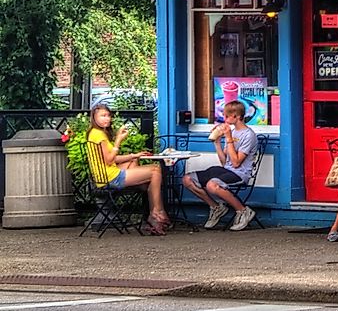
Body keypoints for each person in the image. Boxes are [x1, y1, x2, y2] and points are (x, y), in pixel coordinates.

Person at [85, 103, 170, 235]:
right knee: (155, 170)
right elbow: (109, 159)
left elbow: (111, 159)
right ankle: (157, 211)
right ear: (94, 118)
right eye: (102, 116)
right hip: (110, 178)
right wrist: (118, 140)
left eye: (108, 115)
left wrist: (133, 155)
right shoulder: (99, 135)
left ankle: (147, 196)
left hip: (104, 176)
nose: (106, 119)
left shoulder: (94, 133)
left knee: (133, 162)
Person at [183, 100, 259, 231]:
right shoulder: (233, 132)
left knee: (212, 184)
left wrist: (228, 138)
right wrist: (217, 142)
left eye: (226, 116)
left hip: (240, 173)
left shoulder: (248, 135)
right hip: (227, 170)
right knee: (187, 179)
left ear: (237, 116)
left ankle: (243, 211)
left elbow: (236, 163)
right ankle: (216, 207)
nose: (224, 119)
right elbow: (225, 162)